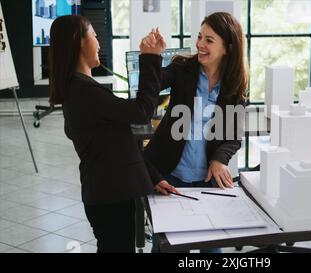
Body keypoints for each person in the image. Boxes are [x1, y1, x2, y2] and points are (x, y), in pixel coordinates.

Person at [48, 15, 177, 253]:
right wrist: (150, 58)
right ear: (79, 42)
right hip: (109, 199)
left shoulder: (79, 88)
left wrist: (153, 177)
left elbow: (119, 144)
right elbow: (140, 112)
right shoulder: (84, 91)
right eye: (94, 36)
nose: (98, 43)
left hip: (107, 194)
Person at [144, 12, 249, 253]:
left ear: (228, 48)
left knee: (212, 248)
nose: (200, 44)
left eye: (209, 40)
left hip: (206, 182)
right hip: (169, 176)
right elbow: (152, 85)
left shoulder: (235, 85)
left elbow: (233, 135)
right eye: (200, 37)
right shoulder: (183, 68)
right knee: (169, 247)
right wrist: (152, 57)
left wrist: (219, 158)